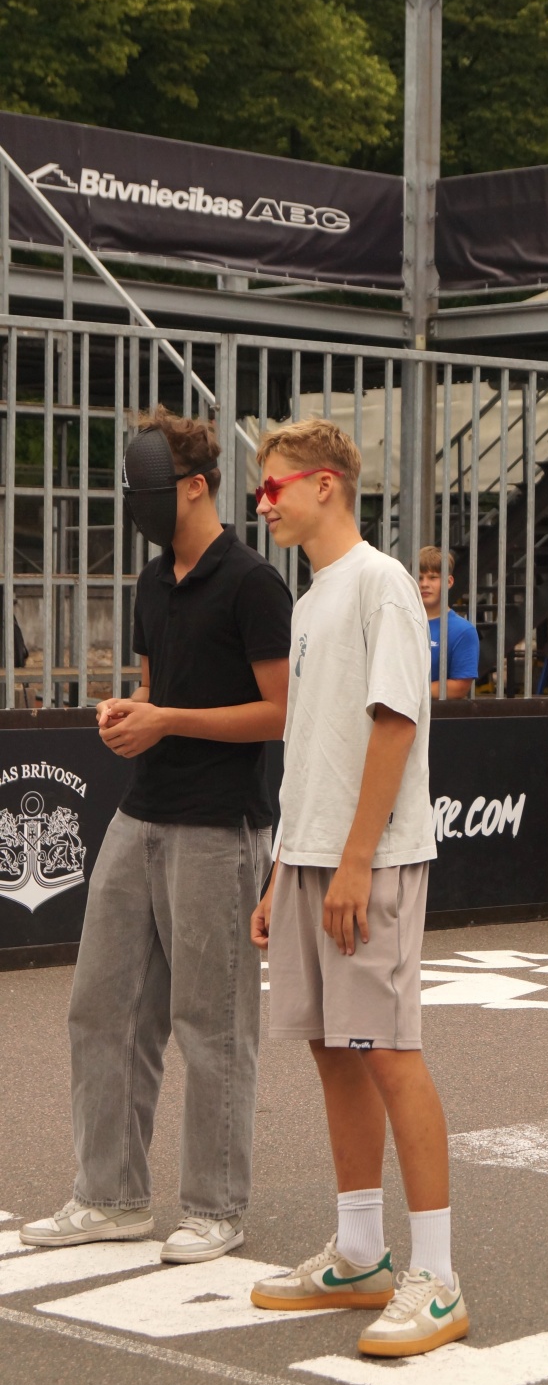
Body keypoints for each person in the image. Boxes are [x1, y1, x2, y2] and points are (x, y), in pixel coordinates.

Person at [21, 407, 292, 1262]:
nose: (136, 505)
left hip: (220, 825)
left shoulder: (253, 583)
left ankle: (216, 1207)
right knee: (100, 1008)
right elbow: (154, 693)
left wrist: (166, 719)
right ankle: (110, 1196)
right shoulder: (149, 582)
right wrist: (128, 713)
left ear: (196, 486)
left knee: (211, 1024)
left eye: (147, 489)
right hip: (141, 813)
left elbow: (280, 712)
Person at [247, 418, 468, 1358]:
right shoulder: (310, 601)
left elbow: (395, 723)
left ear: (324, 484)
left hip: (365, 859)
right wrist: (282, 868)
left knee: (387, 1050)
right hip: (310, 853)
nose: (263, 503)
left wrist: (353, 858)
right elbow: (312, 747)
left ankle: (438, 1277)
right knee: (333, 1049)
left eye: (273, 487)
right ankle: (359, 1254)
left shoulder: (382, 582)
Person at [418, 546, 479, 699]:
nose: (424, 584)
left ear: (449, 581)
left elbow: (459, 687)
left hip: (439, 713)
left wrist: (407, 692)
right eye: (419, 578)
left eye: (432, 577)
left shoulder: (463, 630)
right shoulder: (400, 624)